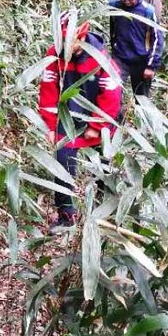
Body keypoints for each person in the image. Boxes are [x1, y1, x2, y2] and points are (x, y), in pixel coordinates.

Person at [37, 12, 123, 231]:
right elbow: (49, 90)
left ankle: (106, 214)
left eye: (70, 41)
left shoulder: (101, 58)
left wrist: (97, 126)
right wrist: (50, 124)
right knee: (62, 163)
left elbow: (112, 95)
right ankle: (66, 216)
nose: (66, 46)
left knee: (104, 167)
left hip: (100, 120)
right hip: (68, 121)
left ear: (81, 36)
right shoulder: (54, 56)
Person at [109, 0, 164, 98]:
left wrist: (151, 65)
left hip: (141, 60)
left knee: (141, 98)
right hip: (120, 57)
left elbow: (157, 39)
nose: (127, 2)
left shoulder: (147, 11)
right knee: (113, 92)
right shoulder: (114, 6)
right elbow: (113, 27)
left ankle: (142, 118)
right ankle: (117, 118)